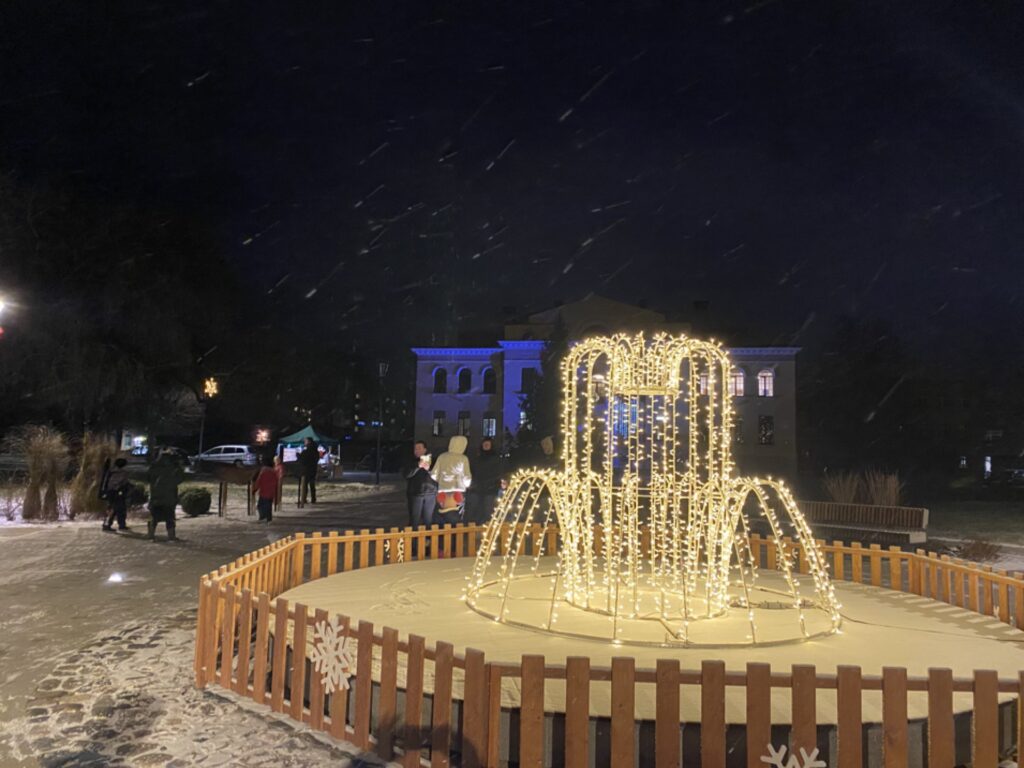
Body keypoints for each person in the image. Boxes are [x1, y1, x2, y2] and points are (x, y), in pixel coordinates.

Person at [431, 435, 472, 519]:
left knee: (443, 514)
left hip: (443, 489)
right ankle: (456, 530)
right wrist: (467, 485)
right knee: (457, 514)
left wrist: (440, 480)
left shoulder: (442, 456)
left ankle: (443, 529)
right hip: (458, 490)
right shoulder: (463, 458)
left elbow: (433, 474)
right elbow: (467, 477)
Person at [147, 448, 184, 541]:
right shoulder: (172, 469)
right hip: (169, 497)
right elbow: (179, 479)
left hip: (156, 496)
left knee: (154, 517)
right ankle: (171, 536)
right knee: (169, 517)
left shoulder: (154, 467)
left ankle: (151, 534)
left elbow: (149, 478)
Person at [466, 438, 505, 524]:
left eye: (488, 444)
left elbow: (499, 472)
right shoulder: (477, 458)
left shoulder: (496, 458)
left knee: (488, 511)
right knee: (475, 510)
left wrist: (496, 483)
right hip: (477, 488)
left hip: (490, 488)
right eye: (484, 444)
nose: (486, 446)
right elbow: (472, 471)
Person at [404, 441, 438, 528]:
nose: (416, 451)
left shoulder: (433, 460)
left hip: (430, 493)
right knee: (414, 519)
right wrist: (418, 466)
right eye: (415, 449)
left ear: (425, 449)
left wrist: (428, 469)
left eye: (419, 448)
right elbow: (406, 474)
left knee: (428, 520)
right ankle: (413, 540)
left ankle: (428, 539)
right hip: (415, 494)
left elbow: (438, 475)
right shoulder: (410, 461)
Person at [101, 457, 132, 532]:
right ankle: (119, 525)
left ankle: (107, 524)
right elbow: (123, 483)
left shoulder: (111, 472)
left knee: (112, 508)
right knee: (119, 509)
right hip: (118, 492)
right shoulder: (123, 473)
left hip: (111, 492)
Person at [253, 456, 279, 523]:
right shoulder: (274, 472)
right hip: (271, 492)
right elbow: (276, 481)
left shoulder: (263, 471)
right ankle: (268, 518)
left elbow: (259, 481)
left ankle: (263, 517)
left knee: (260, 506)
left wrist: (255, 489)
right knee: (268, 506)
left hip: (264, 492)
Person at [298, 437, 319, 504]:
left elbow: (303, 459)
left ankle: (304, 499)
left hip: (306, 470)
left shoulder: (307, 451)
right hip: (313, 469)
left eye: (305, 441)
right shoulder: (315, 451)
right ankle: (313, 499)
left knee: (305, 485)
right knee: (312, 485)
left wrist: (299, 455)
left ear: (309, 442)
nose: (304, 442)